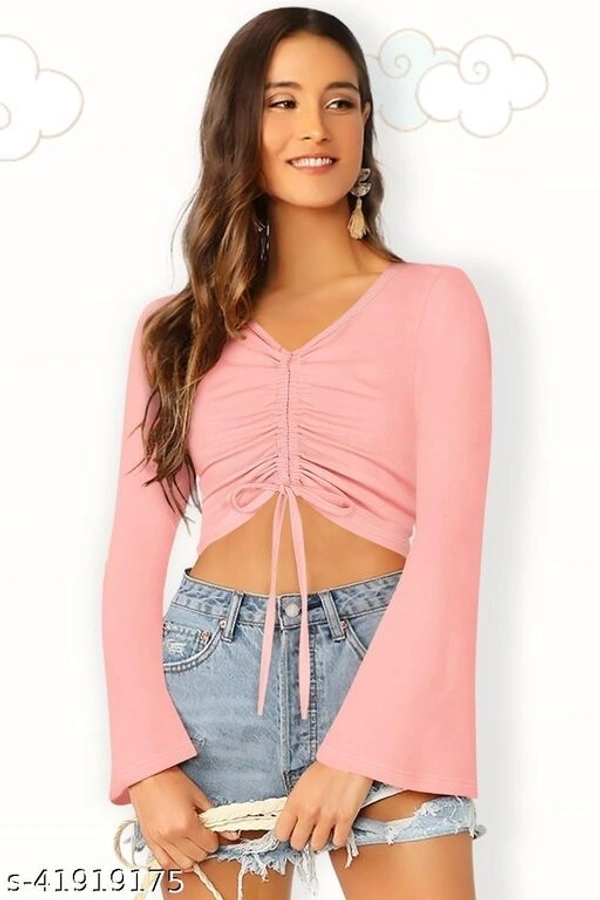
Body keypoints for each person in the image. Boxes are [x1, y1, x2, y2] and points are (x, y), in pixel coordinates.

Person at [102, 7, 492, 900]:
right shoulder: (174, 331)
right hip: (209, 681)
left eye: (339, 101)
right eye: (283, 102)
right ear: (241, 123)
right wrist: (145, 760)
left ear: (366, 125)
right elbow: (132, 556)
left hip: (388, 663)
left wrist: (363, 748)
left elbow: (452, 544)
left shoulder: (436, 301)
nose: (315, 126)